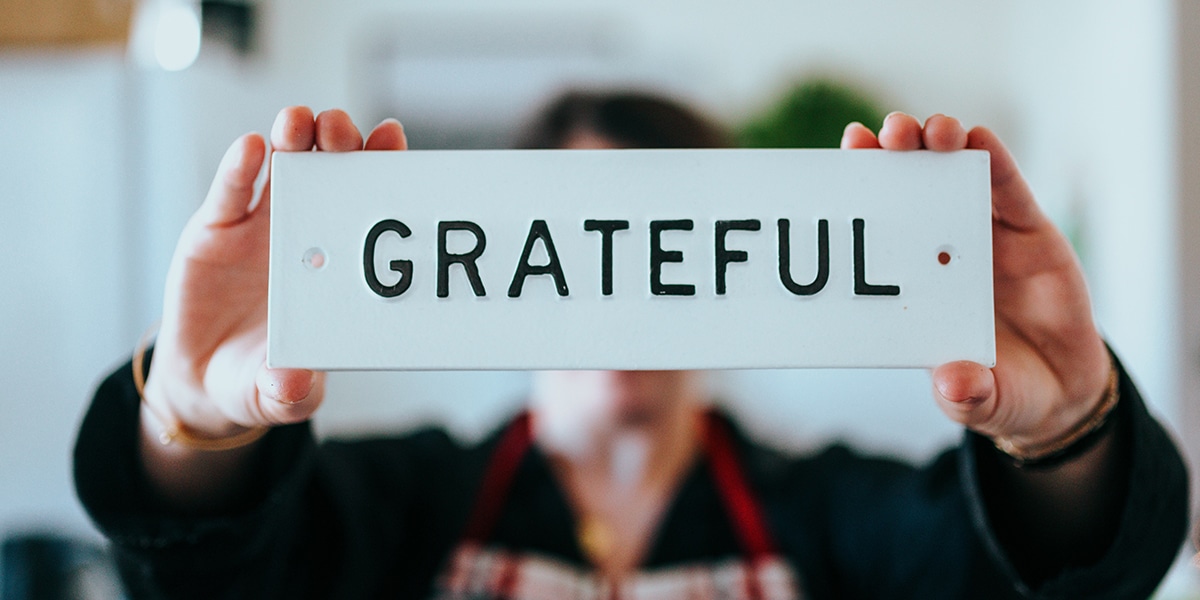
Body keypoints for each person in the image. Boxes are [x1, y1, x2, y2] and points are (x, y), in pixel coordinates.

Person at [74, 91, 1188, 599]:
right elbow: (208, 576)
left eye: (666, 241)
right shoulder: (399, 498)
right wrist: (196, 417)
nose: (624, 294)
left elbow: (1054, 578)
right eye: (587, 233)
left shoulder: (833, 512)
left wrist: (1066, 434)